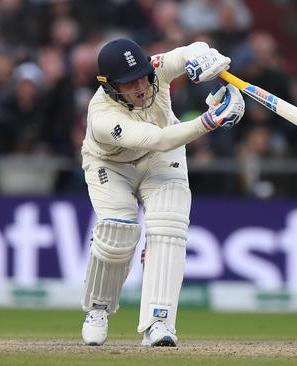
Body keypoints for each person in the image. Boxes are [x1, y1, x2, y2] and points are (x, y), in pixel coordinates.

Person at [80, 38, 245, 347]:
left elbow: (190, 50)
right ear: (109, 85)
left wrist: (207, 59)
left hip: (161, 162)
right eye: (130, 83)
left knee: (168, 228)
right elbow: (157, 139)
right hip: (111, 166)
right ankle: (98, 310)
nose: (141, 86)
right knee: (118, 233)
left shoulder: (155, 70)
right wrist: (211, 120)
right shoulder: (102, 117)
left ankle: (159, 322)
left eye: (143, 76)